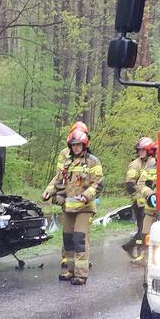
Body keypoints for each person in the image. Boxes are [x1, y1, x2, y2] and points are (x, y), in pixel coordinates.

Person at [42, 129, 103, 285]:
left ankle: (81, 275)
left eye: (79, 145)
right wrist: (49, 192)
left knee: (79, 239)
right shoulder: (67, 162)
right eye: (73, 145)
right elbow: (57, 180)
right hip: (68, 207)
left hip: (85, 208)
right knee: (68, 239)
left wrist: (86, 195)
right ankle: (70, 270)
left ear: (84, 145)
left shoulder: (92, 161)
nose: (76, 148)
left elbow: (98, 183)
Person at [56, 121, 90, 269]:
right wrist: (58, 193)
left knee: (81, 235)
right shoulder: (65, 154)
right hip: (68, 200)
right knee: (68, 234)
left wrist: (87, 195)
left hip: (83, 204)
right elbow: (60, 177)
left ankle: (81, 264)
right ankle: (66, 258)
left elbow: (95, 182)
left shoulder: (90, 158)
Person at [122, 137, 156, 259]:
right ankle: (140, 252)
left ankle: (133, 247)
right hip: (140, 203)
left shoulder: (151, 163)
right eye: (139, 150)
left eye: (143, 150)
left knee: (145, 230)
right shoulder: (135, 164)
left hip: (150, 203)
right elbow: (130, 184)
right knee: (143, 229)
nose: (140, 152)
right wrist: (138, 198)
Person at [133, 140, 158, 264]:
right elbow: (141, 184)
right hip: (150, 210)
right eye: (158, 153)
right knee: (145, 233)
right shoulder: (151, 167)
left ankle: (158, 260)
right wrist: (150, 194)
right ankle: (146, 258)